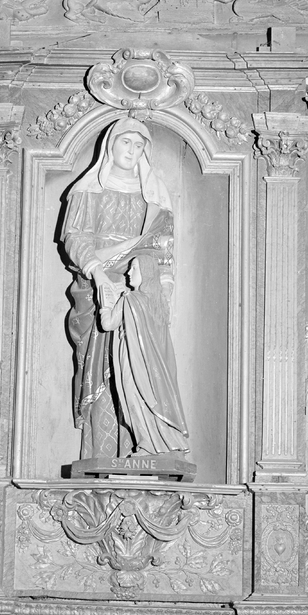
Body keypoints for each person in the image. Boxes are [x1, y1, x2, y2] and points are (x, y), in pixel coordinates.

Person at [61, 116, 177, 459]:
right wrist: (98, 275)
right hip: (98, 291)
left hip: (139, 295)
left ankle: (143, 448)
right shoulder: (89, 190)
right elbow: (75, 237)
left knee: (140, 373)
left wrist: (164, 291)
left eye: (139, 145)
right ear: (111, 145)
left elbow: (164, 250)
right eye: (126, 142)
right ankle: (100, 455)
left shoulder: (154, 195)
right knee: (103, 370)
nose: (131, 150)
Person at [99, 255, 189, 455]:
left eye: (134, 268)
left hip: (133, 358)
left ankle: (148, 445)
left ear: (146, 273)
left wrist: (105, 303)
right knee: (151, 398)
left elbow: (108, 324)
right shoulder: (157, 304)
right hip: (154, 366)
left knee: (134, 398)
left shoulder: (131, 299)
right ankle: (164, 443)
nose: (128, 272)